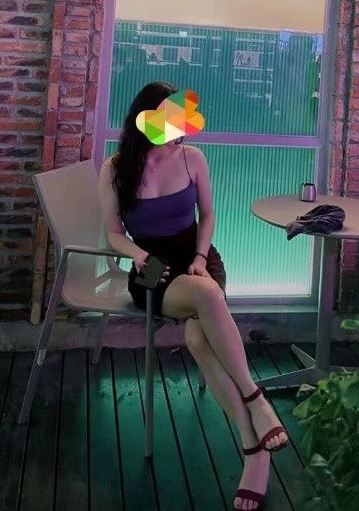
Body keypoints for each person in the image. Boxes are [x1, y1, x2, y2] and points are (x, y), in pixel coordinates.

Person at [99, 81, 288, 511]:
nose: (178, 133)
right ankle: (255, 401)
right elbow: (113, 232)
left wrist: (201, 257)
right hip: (150, 266)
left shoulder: (193, 159)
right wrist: (138, 255)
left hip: (197, 256)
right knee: (205, 300)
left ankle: (252, 449)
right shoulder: (115, 168)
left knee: (198, 339)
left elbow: (209, 214)